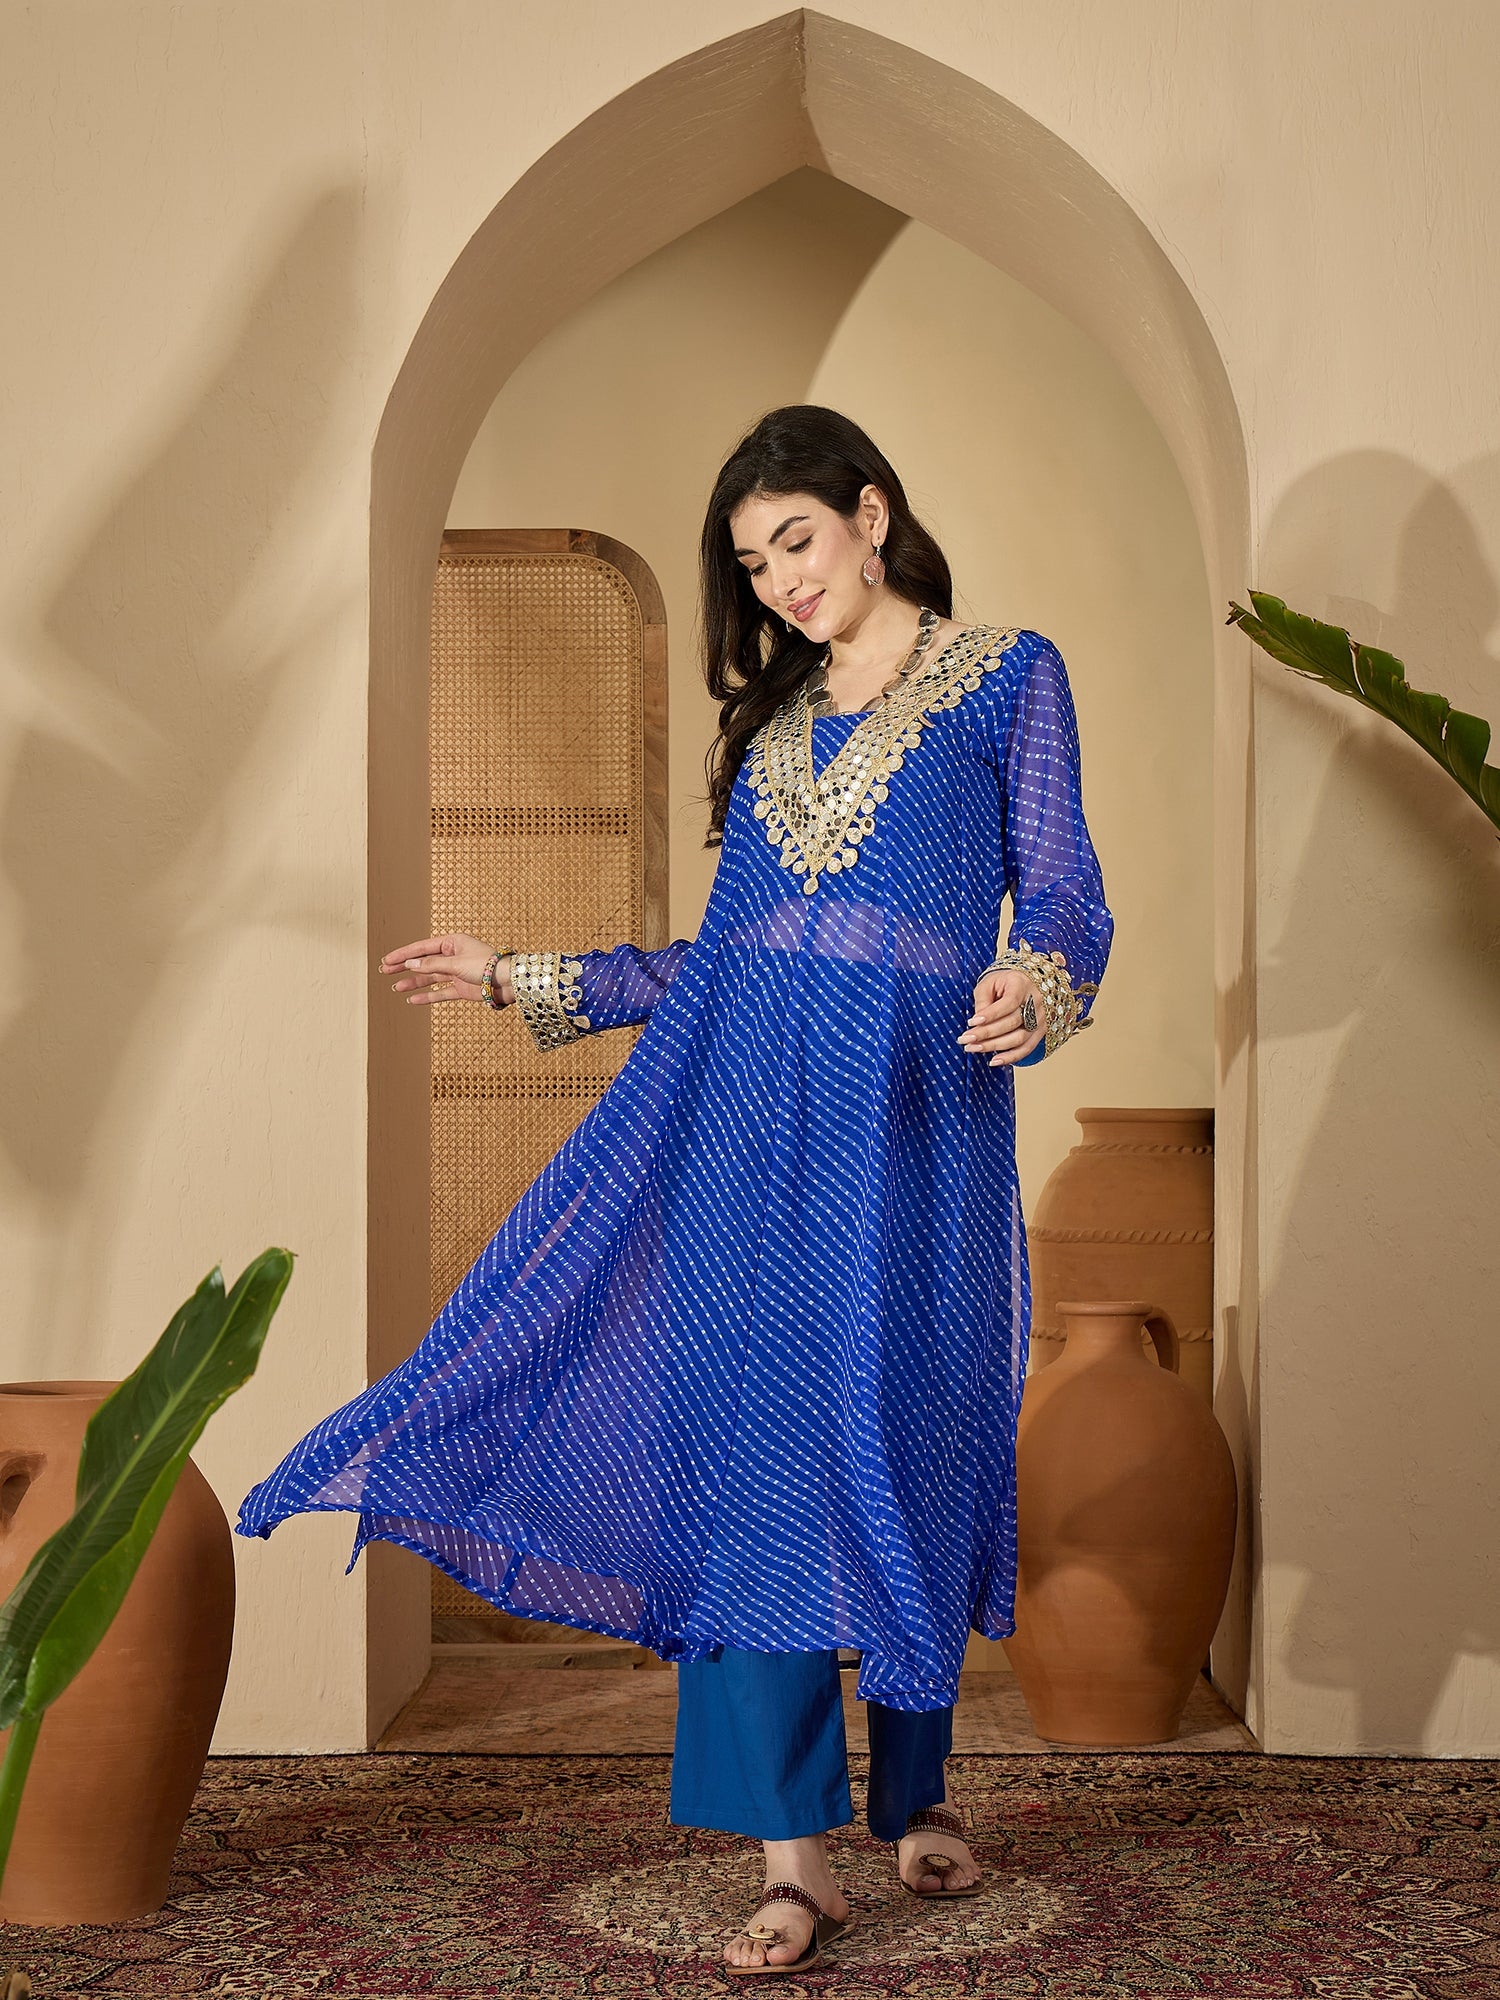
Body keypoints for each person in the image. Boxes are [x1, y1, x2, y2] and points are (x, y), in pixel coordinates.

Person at [237, 404, 1113, 1977]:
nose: (781, 581)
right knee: (762, 1473)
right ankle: (793, 1862)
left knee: (909, 1440)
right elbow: (722, 965)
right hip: (744, 1146)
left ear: (871, 514)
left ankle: (914, 1791)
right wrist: (519, 975)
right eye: (753, 562)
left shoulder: (1005, 677)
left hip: (916, 1125)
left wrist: (1035, 985)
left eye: (796, 540)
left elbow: (1062, 887)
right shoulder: (774, 734)